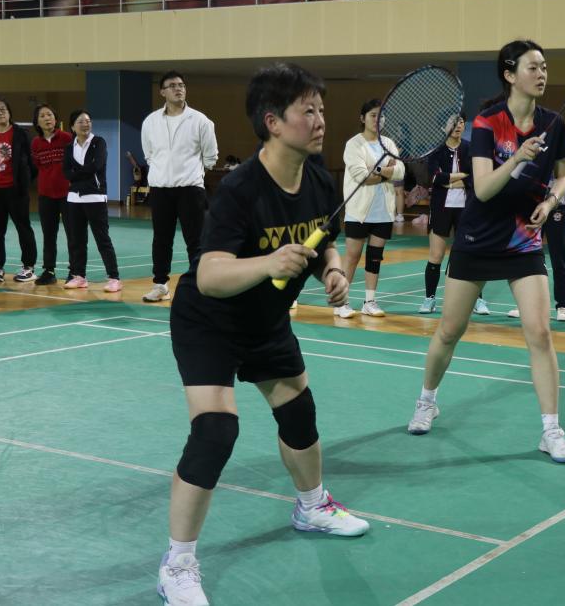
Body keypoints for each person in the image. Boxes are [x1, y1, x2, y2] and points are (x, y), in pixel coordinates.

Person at [157, 63, 368, 606]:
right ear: (273, 122)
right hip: (210, 321)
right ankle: (177, 564)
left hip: (266, 319)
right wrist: (269, 262)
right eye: (307, 111)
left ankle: (312, 507)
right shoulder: (240, 189)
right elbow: (209, 274)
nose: (320, 120)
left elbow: (321, 241)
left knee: (299, 413)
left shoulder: (318, 180)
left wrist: (332, 271)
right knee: (216, 431)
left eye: (321, 109)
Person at [406, 39, 565, 464]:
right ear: (509, 74)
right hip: (479, 238)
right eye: (533, 67)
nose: (542, 74)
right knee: (450, 330)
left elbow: (564, 175)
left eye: (544, 67)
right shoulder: (486, 123)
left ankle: (551, 430)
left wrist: (550, 202)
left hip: (524, 239)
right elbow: (482, 188)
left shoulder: (554, 123)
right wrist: (517, 157)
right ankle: (427, 401)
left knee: (539, 333)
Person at [141, 70, 219, 303]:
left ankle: (200, 285)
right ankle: (160, 285)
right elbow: (149, 154)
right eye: (173, 85)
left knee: (195, 240)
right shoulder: (151, 121)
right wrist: (162, 173)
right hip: (160, 189)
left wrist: (193, 173)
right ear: (162, 92)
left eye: (181, 85)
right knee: (161, 239)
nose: (178, 89)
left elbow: (211, 157)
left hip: (190, 189)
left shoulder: (200, 120)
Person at [333, 98, 405, 319]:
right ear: (362, 118)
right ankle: (341, 302)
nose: (377, 120)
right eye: (373, 115)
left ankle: (369, 302)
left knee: (375, 257)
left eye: (381, 116)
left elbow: (401, 171)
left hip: (383, 212)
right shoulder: (354, 144)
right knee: (352, 256)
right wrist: (386, 171)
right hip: (358, 211)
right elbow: (361, 176)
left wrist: (378, 171)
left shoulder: (389, 144)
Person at [418, 113, 490, 316]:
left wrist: (449, 181)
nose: (458, 125)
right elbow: (435, 178)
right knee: (436, 256)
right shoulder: (435, 150)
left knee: (470, 255)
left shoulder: (470, 149)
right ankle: (429, 299)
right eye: (453, 122)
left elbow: (474, 178)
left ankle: (478, 300)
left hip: (466, 210)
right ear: (443, 127)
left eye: (460, 122)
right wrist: (459, 177)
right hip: (441, 209)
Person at [507, 162, 565, 322]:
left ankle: (562, 306)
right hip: (531, 206)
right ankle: (524, 304)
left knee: (559, 258)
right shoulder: (534, 150)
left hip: (558, 208)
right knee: (527, 256)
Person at [62, 109, 122, 292]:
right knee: (77, 240)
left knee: (102, 239)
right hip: (74, 198)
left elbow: (96, 166)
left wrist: (77, 173)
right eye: (81, 121)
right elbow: (66, 172)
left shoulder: (98, 143)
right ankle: (79, 276)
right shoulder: (69, 147)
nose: (85, 124)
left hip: (95, 197)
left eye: (88, 121)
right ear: (73, 127)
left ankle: (114, 278)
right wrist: (81, 173)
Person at [0, 98, 38, 284]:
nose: (0, 113)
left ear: (9, 112)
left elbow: (32, 162)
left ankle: (28, 267)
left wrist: (24, 182)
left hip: (16, 191)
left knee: (24, 228)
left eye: (3, 109)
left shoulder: (20, 133)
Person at [30, 104, 74, 285]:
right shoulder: (36, 143)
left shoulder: (67, 138)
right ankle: (49, 271)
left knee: (73, 233)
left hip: (68, 194)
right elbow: (37, 166)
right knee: (48, 234)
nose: (47, 118)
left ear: (55, 119)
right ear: (37, 122)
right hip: (46, 195)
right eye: (42, 116)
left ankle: (75, 271)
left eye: (49, 115)